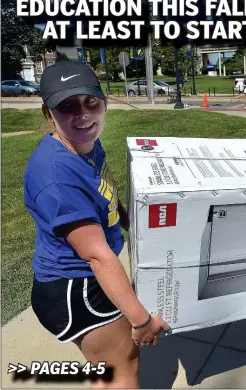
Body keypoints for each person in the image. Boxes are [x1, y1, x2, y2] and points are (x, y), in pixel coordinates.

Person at [24, 61, 169, 389]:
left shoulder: (85, 144)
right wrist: (141, 321)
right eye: (67, 106)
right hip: (77, 287)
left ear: (104, 103)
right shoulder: (56, 179)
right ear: (49, 115)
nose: (83, 114)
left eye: (91, 102)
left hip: (77, 281)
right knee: (122, 369)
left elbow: (103, 189)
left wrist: (129, 221)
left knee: (107, 371)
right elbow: (98, 257)